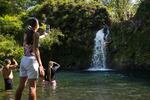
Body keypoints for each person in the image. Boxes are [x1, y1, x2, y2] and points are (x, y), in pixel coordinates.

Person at [15, 17, 45, 100]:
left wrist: (42, 36)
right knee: (32, 87)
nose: (39, 25)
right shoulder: (36, 34)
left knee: (21, 86)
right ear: (36, 25)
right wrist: (41, 65)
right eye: (38, 23)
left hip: (24, 59)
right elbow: (36, 50)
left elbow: (31, 40)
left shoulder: (26, 33)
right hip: (32, 61)